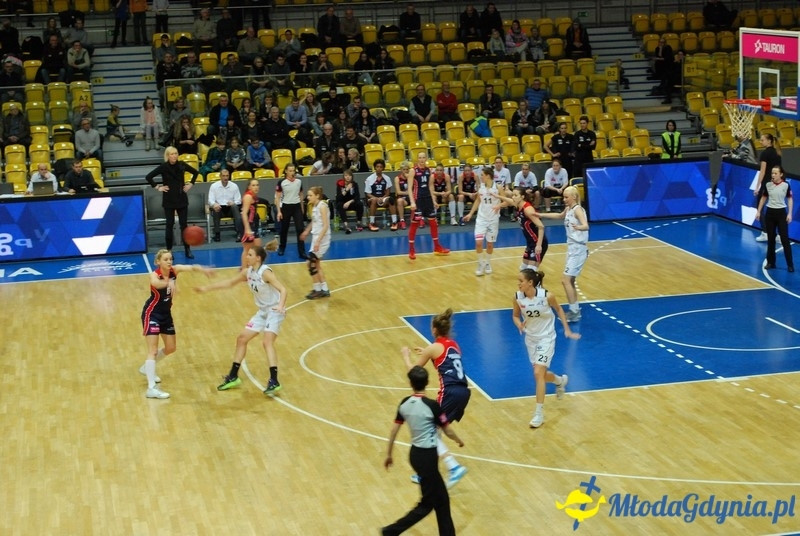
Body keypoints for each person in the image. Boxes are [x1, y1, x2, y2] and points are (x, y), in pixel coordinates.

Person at [196, 240, 288, 395]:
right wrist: (207, 288)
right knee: (241, 339)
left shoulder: (265, 272)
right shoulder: (248, 272)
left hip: (274, 310)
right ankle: (233, 376)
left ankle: (274, 380)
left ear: (258, 258)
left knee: (267, 342)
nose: (246, 257)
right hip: (263, 311)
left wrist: (280, 306)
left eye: (250, 255)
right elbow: (229, 283)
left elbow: (283, 289)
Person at [381, 365, 464, 536]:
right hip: (428, 457)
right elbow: (447, 430)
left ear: (410, 383)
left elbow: (394, 430)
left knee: (442, 500)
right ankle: (391, 531)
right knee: (427, 504)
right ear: (427, 382)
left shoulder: (404, 403)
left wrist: (389, 454)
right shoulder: (432, 406)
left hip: (415, 454)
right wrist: (458, 440)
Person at [400, 307, 470, 492]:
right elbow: (445, 361)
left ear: (434, 330)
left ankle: (453, 466)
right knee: (436, 429)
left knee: (429, 429)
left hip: (450, 392)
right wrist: (428, 353)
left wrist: (406, 356)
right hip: (464, 391)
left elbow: (414, 372)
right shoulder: (454, 345)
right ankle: (426, 473)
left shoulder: (433, 348)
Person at [140, 249, 212, 399]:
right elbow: (155, 283)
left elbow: (191, 267)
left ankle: (147, 368)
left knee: (171, 348)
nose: (169, 262)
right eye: (165, 259)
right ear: (158, 262)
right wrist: (168, 283)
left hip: (166, 315)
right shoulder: (155, 275)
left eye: (170, 259)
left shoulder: (175, 270)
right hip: (151, 314)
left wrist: (203, 269)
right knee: (152, 350)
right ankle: (151, 388)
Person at [512, 268, 579, 428]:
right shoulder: (517, 298)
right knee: (541, 374)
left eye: (521, 281)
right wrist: (519, 324)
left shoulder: (547, 296)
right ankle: (559, 381)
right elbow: (515, 315)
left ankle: (539, 414)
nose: (518, 284)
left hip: (547, 338)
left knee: (537, 373)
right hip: (531, 340)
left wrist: (567, 330)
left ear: (530, 282)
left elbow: (560, 310)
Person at [538, 186, 589, 321]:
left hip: (578, 249)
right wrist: (541, 215)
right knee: (570, 280)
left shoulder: (578, 209)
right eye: (564, 197)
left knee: (565, 280)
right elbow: (559, 216)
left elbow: (586, 225)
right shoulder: (569, 209)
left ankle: (574, 312)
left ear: (574, 197)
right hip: (572, 248)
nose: (564, 199)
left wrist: (580, 227)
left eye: (566, 197)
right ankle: (575, 308)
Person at [145, 146, 200, 259]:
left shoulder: (182, 165)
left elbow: (195, 172)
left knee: (184, 226)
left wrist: (191, 184)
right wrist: (157, 187)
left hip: (181, 199)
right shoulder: (163, 167)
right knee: (169, 226)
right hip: (169, 200)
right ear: (167, 156)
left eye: (176, 153)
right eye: (172, 154)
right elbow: (149, 177)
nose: (174, 156)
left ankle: (187, 249)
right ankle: (169, 251)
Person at [406, 151, 450, 259]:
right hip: (418, 200)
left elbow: (431, 187)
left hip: (428, 200)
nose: (421, 159)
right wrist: (412, 202)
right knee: (415, 224)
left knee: (433, 223)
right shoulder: (413, 171)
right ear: (417, 159)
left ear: (426, 159)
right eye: (420, 157)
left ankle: (437, 247)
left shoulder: (429, 170)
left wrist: (434, 200)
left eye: (423, 157)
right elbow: (409, 188)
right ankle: (411, 249)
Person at [463, 166, 505, 276]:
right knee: (478, 242)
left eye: (482, 175)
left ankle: (487, 263)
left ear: (487, 176)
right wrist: (471, 213)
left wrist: (498, 206)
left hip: (493, 220)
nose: (480, 177)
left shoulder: (498, 187)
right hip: (481, 219)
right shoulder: (481, 187)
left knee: (490, 244)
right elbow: (478, 200)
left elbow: (506, 201)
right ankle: (480, 263)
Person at [497, 187, 549, 271]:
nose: (513, 197)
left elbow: (541, 226)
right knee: (523, 269)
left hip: (538, 243)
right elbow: (509, 200)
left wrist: (539, 245)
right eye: (513, 195)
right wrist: (496, 196)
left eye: (515, 195)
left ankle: (538, 284)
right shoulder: (518, 205)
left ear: (522, 197)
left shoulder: (527, 209)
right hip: (530, 243)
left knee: (530, 271)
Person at [756, 166, 794, 273]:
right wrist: (758, 211)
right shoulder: (768, 185)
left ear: (781, 174)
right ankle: (771, 262)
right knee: (771, 239)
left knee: (784, 239)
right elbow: (763, 198)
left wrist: (790, 214)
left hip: (781, 213)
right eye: (772, 173)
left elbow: (790, 199)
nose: (773, 175)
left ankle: (790, 264)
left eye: (775, 173)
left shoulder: (786, 185)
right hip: (770, 213)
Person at [300, 186, 332, 299]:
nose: (308, 197)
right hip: (316, 237)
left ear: (317, 195)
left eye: (310, 195)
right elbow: (314, 221)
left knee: (311, 263)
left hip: (322, 238)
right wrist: (306, 231)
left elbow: (326, 225)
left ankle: (318, 289)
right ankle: (324, 289)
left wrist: (318, 241)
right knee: (316, 265)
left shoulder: (322, 206)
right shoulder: (314, 206)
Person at [275, 163, 306, 259]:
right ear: (286, 171)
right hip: (286, 206)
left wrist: (302, 207)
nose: (292, 173)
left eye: (294, 171)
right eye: (290, 171)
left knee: (300, 229)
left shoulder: (299, 182)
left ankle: (302, 252)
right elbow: (278, 198)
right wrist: (279, 211)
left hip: (296, 207)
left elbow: (301, 194)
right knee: (284, 229)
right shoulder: (281, 182)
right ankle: (282, 247)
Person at [755, 133, 782, 242]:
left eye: (762, 140)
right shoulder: (777, 152)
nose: (761, 142)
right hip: (777, 184)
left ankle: (765, 233)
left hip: (767, 185)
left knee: (760, 208)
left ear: (769, 141)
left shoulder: (765, 154)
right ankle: (779, 235)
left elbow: (763, 171)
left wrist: (757, 187)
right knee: (775, 209)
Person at [208, 169, 243, 242]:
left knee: (235, 207)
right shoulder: (214, 186)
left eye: (227, 176)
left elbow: (239, 200)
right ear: (220, 176)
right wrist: (214, 204)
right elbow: (210, 200)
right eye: (223, 176)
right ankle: (217, 234)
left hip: (230, 208)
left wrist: (233, 203)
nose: (225, 178)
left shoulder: (234, 186)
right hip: (220, 208)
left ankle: (239, 233)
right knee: (216, 208)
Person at [365, 159, 398, 231]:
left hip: (383, 198)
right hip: (372, 199)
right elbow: (368, 193)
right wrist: (376, 198)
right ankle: (372, 223)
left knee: (391, 200)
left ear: (383, 168)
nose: (379, 168)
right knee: (373, 200)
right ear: (375, 168)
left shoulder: (387, 178)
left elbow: (388, 192)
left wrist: (382, 198)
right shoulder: (369, 179)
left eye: (380, 167)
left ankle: (394, 222)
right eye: (377, 167)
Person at [240, 178, 263, 267]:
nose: (256, 187)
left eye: (257, 185)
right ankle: (244, 269)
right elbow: (244, 213)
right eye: (253, 185)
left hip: (253, 224)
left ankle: (256, 270)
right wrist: (247, 228)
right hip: (247, 225)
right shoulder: (248, 197)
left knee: (257, 249)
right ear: (249, 187)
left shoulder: (254, 196)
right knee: (247, 249)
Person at [336, 168, 364, 233]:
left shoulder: (354, 184)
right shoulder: (340, 185)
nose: (348, 177)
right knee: (339, 204)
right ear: (343, 177)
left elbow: (357, 197)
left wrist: (349, 202)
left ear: (352, 177)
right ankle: (346, 225)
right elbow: (338, 198)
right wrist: (346, 189)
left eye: (349, 176)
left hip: (351, 203)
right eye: (346, 176)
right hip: (343, 203)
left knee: (360, 204)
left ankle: (358, 223)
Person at [394, 161, 411, 230]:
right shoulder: (397, 178)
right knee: (400, 201)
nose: (405, 171)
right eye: (404, 169)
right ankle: (402, 220)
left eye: (407, 169)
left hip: (410, 197)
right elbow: (398, 192)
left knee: (419, 197)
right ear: (401, 170)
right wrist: (408, 193)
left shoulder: (411, 178)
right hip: (403, 198)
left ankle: (420, 218)